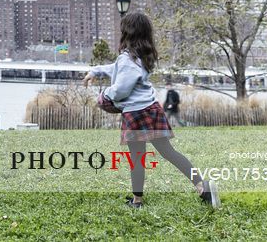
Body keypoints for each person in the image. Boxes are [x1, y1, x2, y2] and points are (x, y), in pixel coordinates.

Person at [82, 12, 218, 209]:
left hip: (136, 114)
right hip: (152, 109)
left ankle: (137, 201)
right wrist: (95, 71)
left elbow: (121, 89)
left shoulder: (128, 59)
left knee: (137, 157)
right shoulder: (143, 56)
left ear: (127, 32)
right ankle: (201, 186)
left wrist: (104, 95)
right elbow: (117, 68)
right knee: (169, 152)